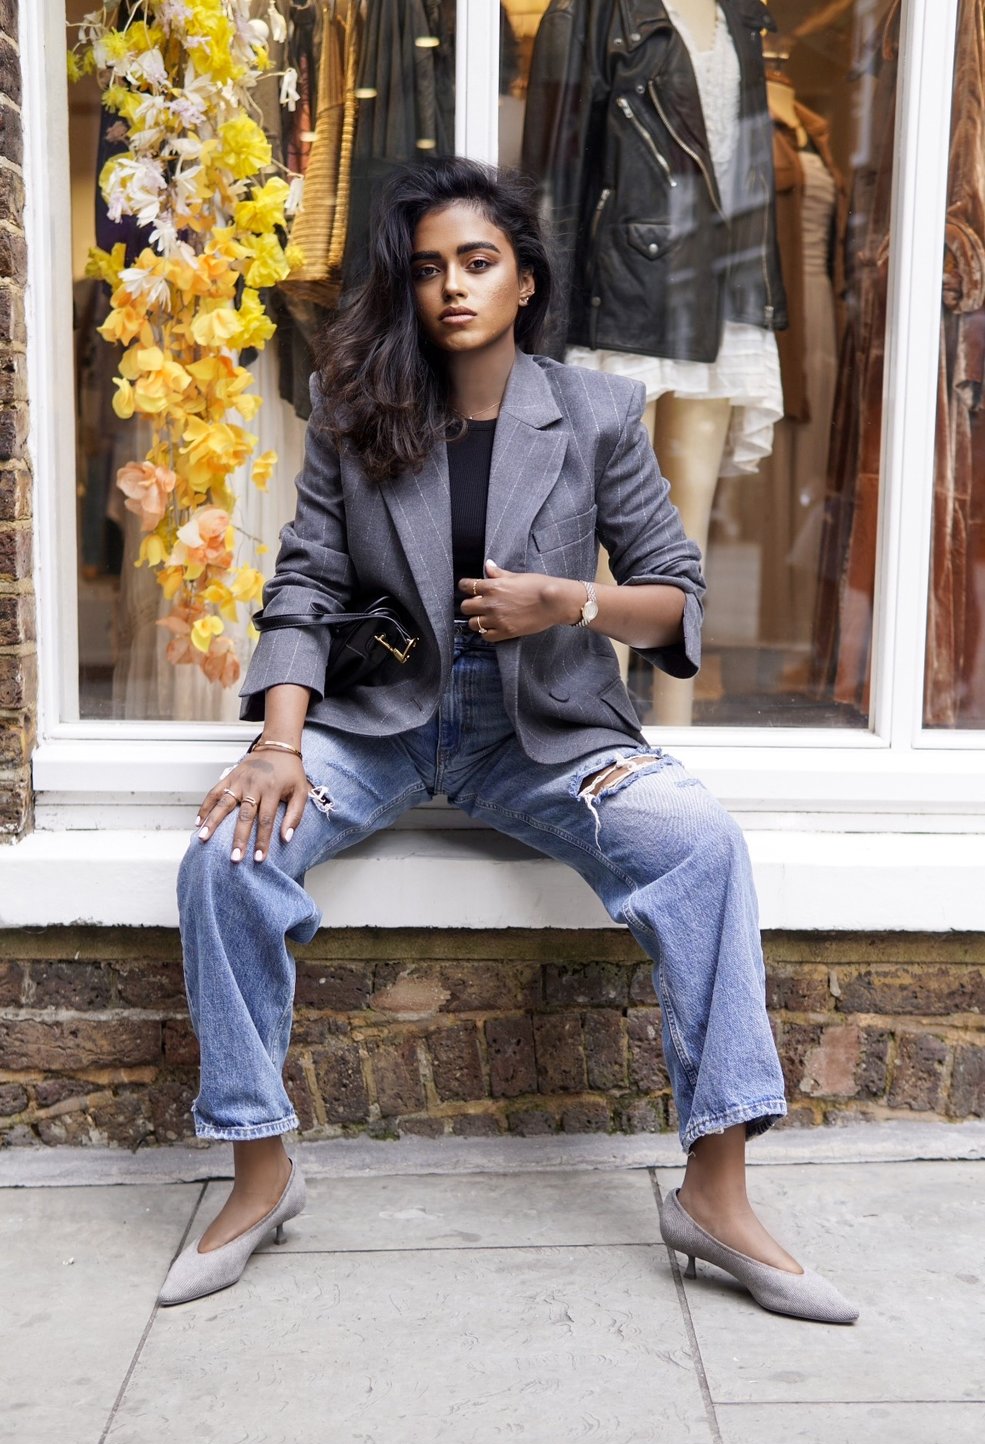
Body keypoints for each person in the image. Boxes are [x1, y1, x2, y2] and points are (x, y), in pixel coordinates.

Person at [159, 157, 857, 1324]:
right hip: (378, 724)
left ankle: (715, 1192)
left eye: (478, 263)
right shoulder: (357, 410)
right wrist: (279, 746)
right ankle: (257, 1168)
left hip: (542, 729)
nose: (452, 289)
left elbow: (677, 599)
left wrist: (564, 603)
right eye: (428, 269)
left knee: (701, 843)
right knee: (225, 859)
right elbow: (304, 590)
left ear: (524, 280)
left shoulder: (594, 414)